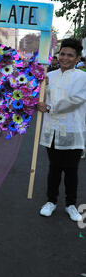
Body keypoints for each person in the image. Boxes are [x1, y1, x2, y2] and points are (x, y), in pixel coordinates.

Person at [38, 38, 86, 222]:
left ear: (77, 58)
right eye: (63, 54)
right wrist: (40, 94)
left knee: (71, 170)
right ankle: (51, 201)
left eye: (70, 55)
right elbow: (43, 96)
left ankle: (71, 204)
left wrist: (50, 108)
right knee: (54, 168)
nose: (65, 58)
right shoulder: (50, 75)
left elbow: (75, 100)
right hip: (52, 130)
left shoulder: (82, 77)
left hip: (73, 130)